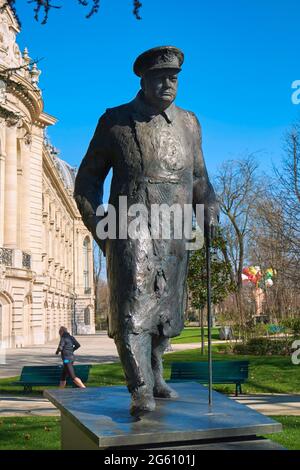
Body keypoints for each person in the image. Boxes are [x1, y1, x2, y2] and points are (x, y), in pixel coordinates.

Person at [74, 46, 219, 415]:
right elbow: (87, 181)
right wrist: (103, 230)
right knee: (133, 307)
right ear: (143, 79)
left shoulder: (190, 123)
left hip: (175, 227)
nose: (168, 84)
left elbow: (199, 178)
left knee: (168, 309)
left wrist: (210, 209)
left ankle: (155, 373)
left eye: (174, 77)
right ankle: (139, 386)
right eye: (160, 77)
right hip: (130, 220)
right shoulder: (116, 121)